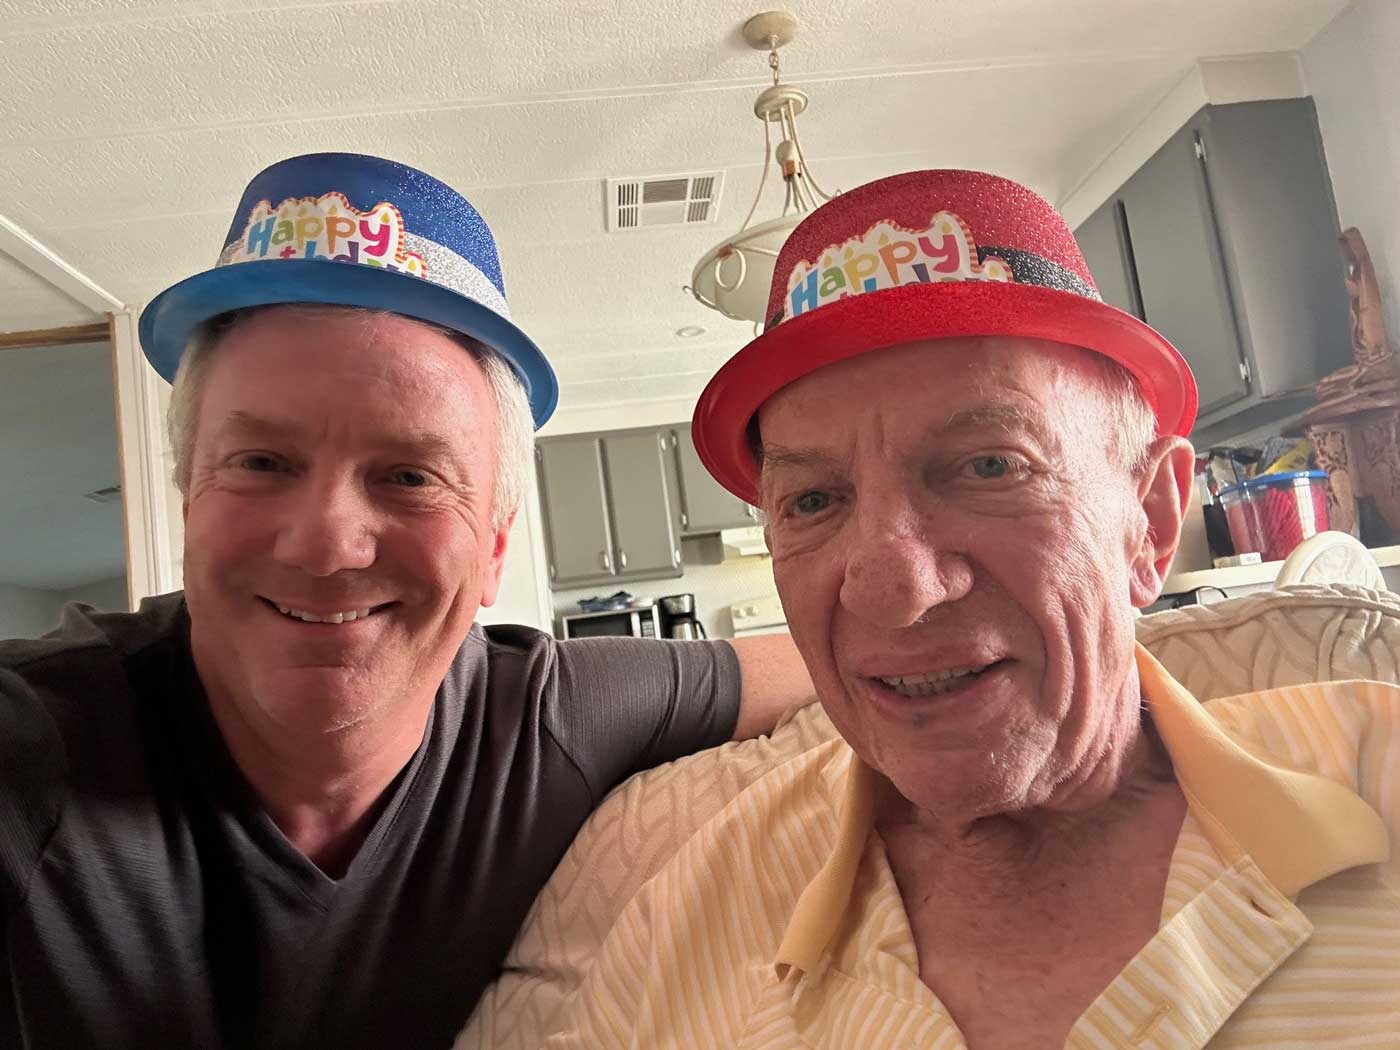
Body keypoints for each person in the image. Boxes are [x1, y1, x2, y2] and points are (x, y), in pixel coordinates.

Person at [458, 170, 1400, 1050]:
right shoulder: (689, 913)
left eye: (991, 465)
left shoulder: (1381, 785)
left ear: (1150, 519)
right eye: (814, 501)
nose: (893, 590)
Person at [0, 152, 811, 1050]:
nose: (326, 543)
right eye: (262, 463)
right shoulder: (31, 750)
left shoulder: (544, 718)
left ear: (495, 546)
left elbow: (831, 663)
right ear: (190, 501)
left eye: (409, 476)